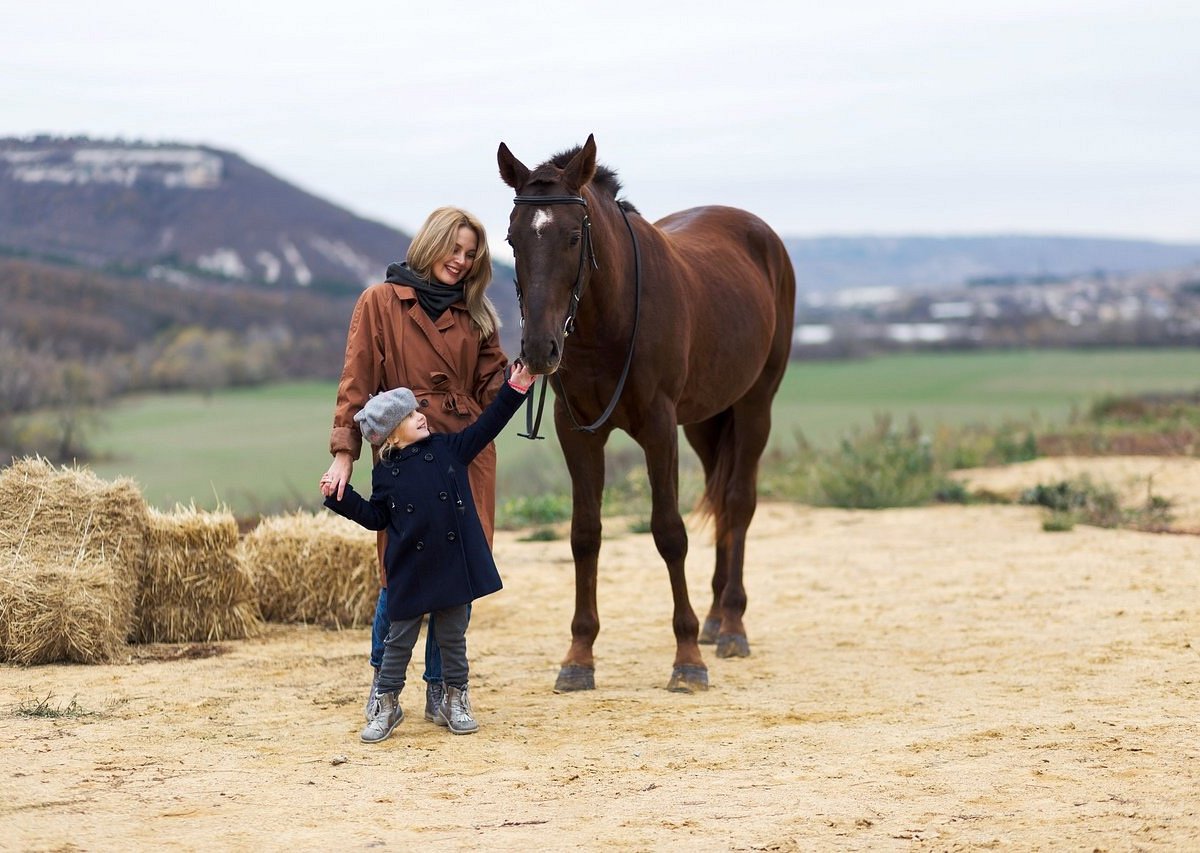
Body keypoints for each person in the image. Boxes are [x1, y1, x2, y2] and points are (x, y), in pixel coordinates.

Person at [322, 207, 509, 726]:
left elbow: (494, 387)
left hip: (463, 456)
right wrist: (344, 456)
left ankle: (444, 691)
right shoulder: (380, 302)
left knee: (458, 573)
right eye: (455, 248)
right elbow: (354, 384)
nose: (461, 260)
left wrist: (532, 367)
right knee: (399, 576)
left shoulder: (478, 313)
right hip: (404, 457)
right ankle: (385, 689)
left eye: (471, 254)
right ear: (431, 243)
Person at [320, 363, 537, 742]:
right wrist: (342, 498)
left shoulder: (449, 449)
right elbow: (376, 518)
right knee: (397, 642)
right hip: (412, 571)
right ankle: (387, 704)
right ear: (391, 437)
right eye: (410, 416)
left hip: (452, 567)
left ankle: (455, 699)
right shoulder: (385, 475)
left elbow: (488, 426)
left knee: (453, 639)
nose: (421, 417)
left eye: (417, 412)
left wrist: (515, 388)